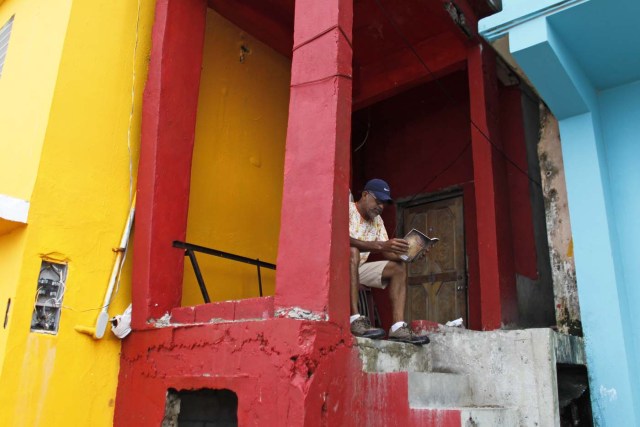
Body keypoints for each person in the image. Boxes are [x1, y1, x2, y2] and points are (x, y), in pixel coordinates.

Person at [349, 179, 430, 345]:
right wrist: (381, 245)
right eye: (377, 201)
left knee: (398, 268)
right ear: (364, 195)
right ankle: (355, 320)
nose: (380, 207)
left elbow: (387, 252)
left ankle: (397, 327)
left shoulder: (378, 221)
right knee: (353, 251)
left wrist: (410, 254)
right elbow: (341, 239)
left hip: (359, 269)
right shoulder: (347, 210)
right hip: (340, 268)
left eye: (383, 203)